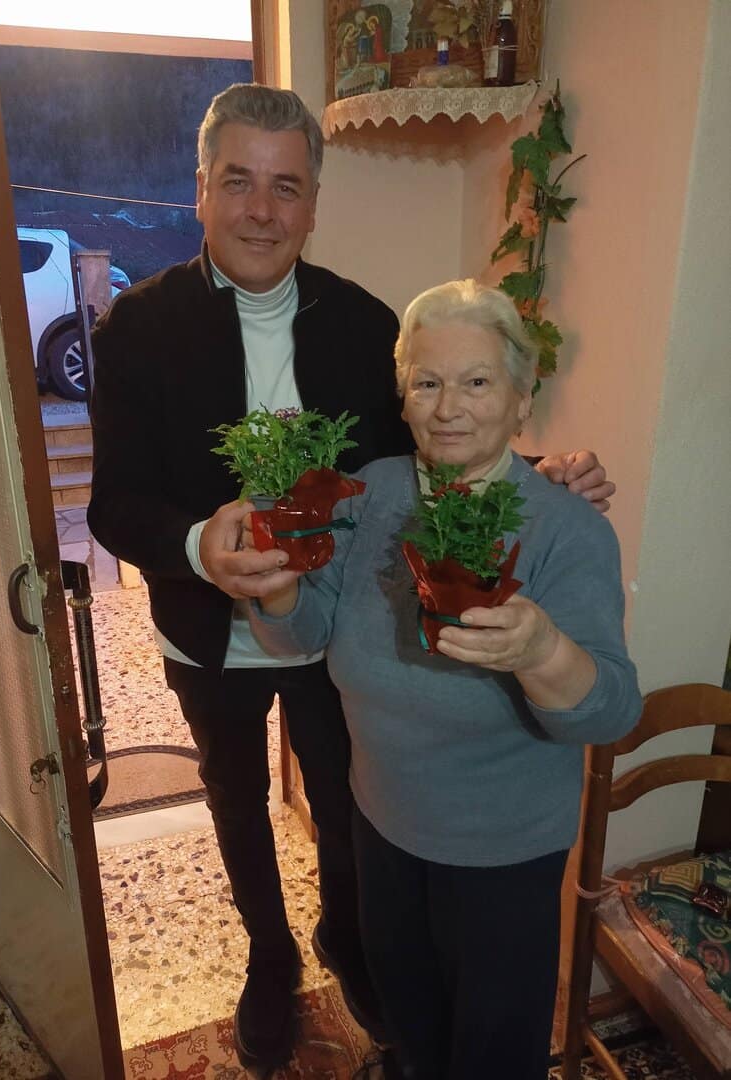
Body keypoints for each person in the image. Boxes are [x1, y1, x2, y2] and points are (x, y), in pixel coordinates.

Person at [87, 83, 616, 1073]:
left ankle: (355, 942)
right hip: (206, 628)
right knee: (237, 799)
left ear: (314, 204)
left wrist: (535, 475)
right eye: (238, 181)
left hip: (329, 625)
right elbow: (112, 503)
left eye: (285, 187)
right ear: (200, 190)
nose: (261, 209)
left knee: (348, 799)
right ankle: (270, 958)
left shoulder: (365, 323)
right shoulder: (134, 329)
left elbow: (428, 445)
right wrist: (201, 546)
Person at [244, 280, 642, 1080]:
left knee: (493, 1054)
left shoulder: (565, 529)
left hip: (502, 856)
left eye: (477, 381)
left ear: (522, 401)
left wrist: (540, 651)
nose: (448, 406)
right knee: (410, 1022)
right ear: (403, 398)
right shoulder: (373, 493)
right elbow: (304, 632)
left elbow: (611, 712)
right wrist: (277, 588)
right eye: (427, 382)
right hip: (380, 827)